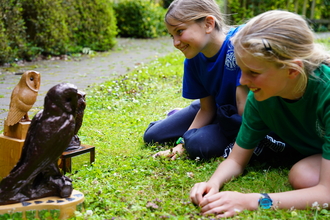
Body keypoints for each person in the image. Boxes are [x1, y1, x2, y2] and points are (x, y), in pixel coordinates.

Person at [190, 10, 330, 218]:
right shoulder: (261, 98)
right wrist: (213, 183)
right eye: (241, 70)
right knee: (303, 176)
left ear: (293, 70)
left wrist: (252, 201)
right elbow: (236, 160)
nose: (243, 81)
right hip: (316, 152)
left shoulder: (325, 92)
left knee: (306, 179)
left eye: (253, 73)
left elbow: (326, 194)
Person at [143, 0, 248, 160]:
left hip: (237, 117)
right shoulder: (193, 59)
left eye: (180, 31)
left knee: (198, 144)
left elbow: (245, 110)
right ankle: (181, 117)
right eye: (172, 36)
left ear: (208, 24)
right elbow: (207, 109)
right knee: (152, 135)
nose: (176, 43)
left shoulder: (239, 45)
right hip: (214, 108)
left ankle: (200, 130)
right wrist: (180, 144)